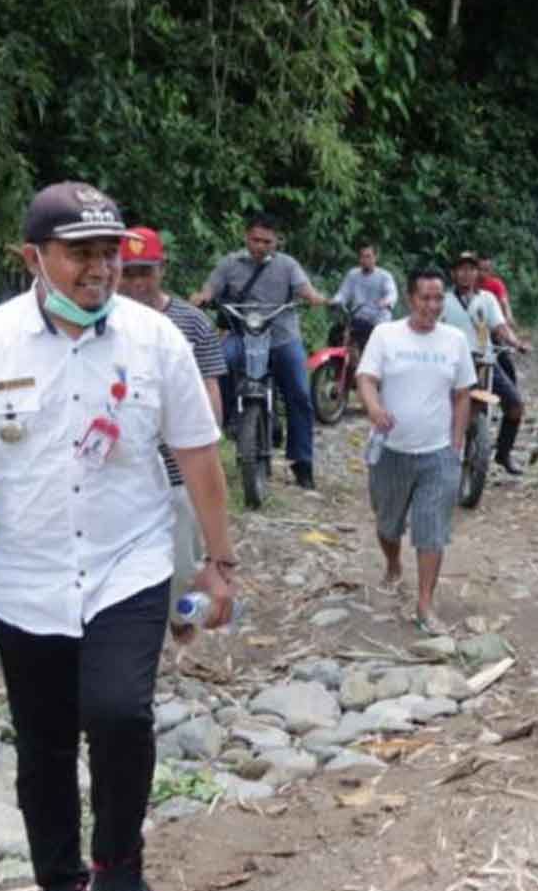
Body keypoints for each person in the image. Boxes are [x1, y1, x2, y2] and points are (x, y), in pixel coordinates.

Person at [0, 183, 237, 891]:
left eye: (109, 253)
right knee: (41, 745)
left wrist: (219, 564)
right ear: (32, 257)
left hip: (130, 565)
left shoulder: (155, 342)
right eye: (80, 253)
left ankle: (122, 869)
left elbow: (200, 456)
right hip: (26, 579)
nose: (99, 269)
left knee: (118, 713)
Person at [356, 268, 476, 633]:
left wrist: (456, 443)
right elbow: (366, 379)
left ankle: (425, 605)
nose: (432, 305)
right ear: (411, 299)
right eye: (425, 298)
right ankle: (393, 563)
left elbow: (463, 393)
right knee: (387, 523)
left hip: (437, 453)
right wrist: (374, 409)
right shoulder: (386, 334)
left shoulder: (454, 340)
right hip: (391, 450)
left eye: (438, 298)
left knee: (432, 531)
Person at [116, 227, 228, 609]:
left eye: (144, 272)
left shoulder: (191, 321)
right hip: (122, 472)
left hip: (180, 471)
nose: (135, 284)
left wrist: (204, 449)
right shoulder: (98, 324)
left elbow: (210, 387)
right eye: (127, 273)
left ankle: (182, 624)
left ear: (162, 269)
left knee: (183, 567)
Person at [192, 215, 331, 489]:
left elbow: (305, 288)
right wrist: (202, 296)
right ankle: (228, 419)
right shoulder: (230, 264)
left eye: (267, 241)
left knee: (300, 394)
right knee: (216, 365)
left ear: (276, 241)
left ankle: (302, 463)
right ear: (246, 237)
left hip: (281, 337)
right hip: (242, 335)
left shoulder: (287, 265)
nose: (260, 246)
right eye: (256, 239)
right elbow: (211, 287)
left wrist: (314, 298)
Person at [445, 251, 530, 475]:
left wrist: (516, 342)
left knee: (515, 406)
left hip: (484, 361)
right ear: (453, 273)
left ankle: (503, 454)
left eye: (471, 269)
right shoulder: (444, 301)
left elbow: (500, 327)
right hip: (451, 364)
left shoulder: (487, 299)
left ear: (477, 273)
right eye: (461, 269)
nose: (467, 274)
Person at [330, 241, 399, 369]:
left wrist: (386, 301)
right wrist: (336, 301)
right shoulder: (353, 274)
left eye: (368, 256)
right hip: (358, 317)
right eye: (362, 256)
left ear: (375, 257)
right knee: (336, 332)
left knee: (376, 349)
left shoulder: (384, 276)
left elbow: (392, 294)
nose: (364, 260)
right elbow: (343, 293)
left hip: (377, 321)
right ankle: (338, 368)